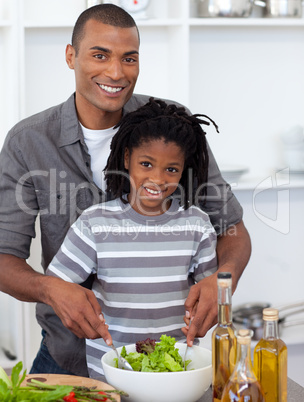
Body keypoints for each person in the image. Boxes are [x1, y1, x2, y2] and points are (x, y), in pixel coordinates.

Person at [0, 4, 251, 377]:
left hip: (168, 359)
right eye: (99, 55)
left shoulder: (170, 127)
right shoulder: (28, 142)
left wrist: (222, 282)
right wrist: (50, 289)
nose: (116, 73)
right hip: (67, 353)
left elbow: (233, 230)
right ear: (71, 56)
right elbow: (4, 258)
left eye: (129, 58)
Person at [46, 97, 219, 378]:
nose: (158, 179)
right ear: (127, 159)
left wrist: (204, 312)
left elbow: (208, 294)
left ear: (183, 169)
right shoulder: (94, 223)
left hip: (175, 368)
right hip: (111, 366)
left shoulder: (197, 225)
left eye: (171, 169)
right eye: (147, 164)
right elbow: (57, 286)